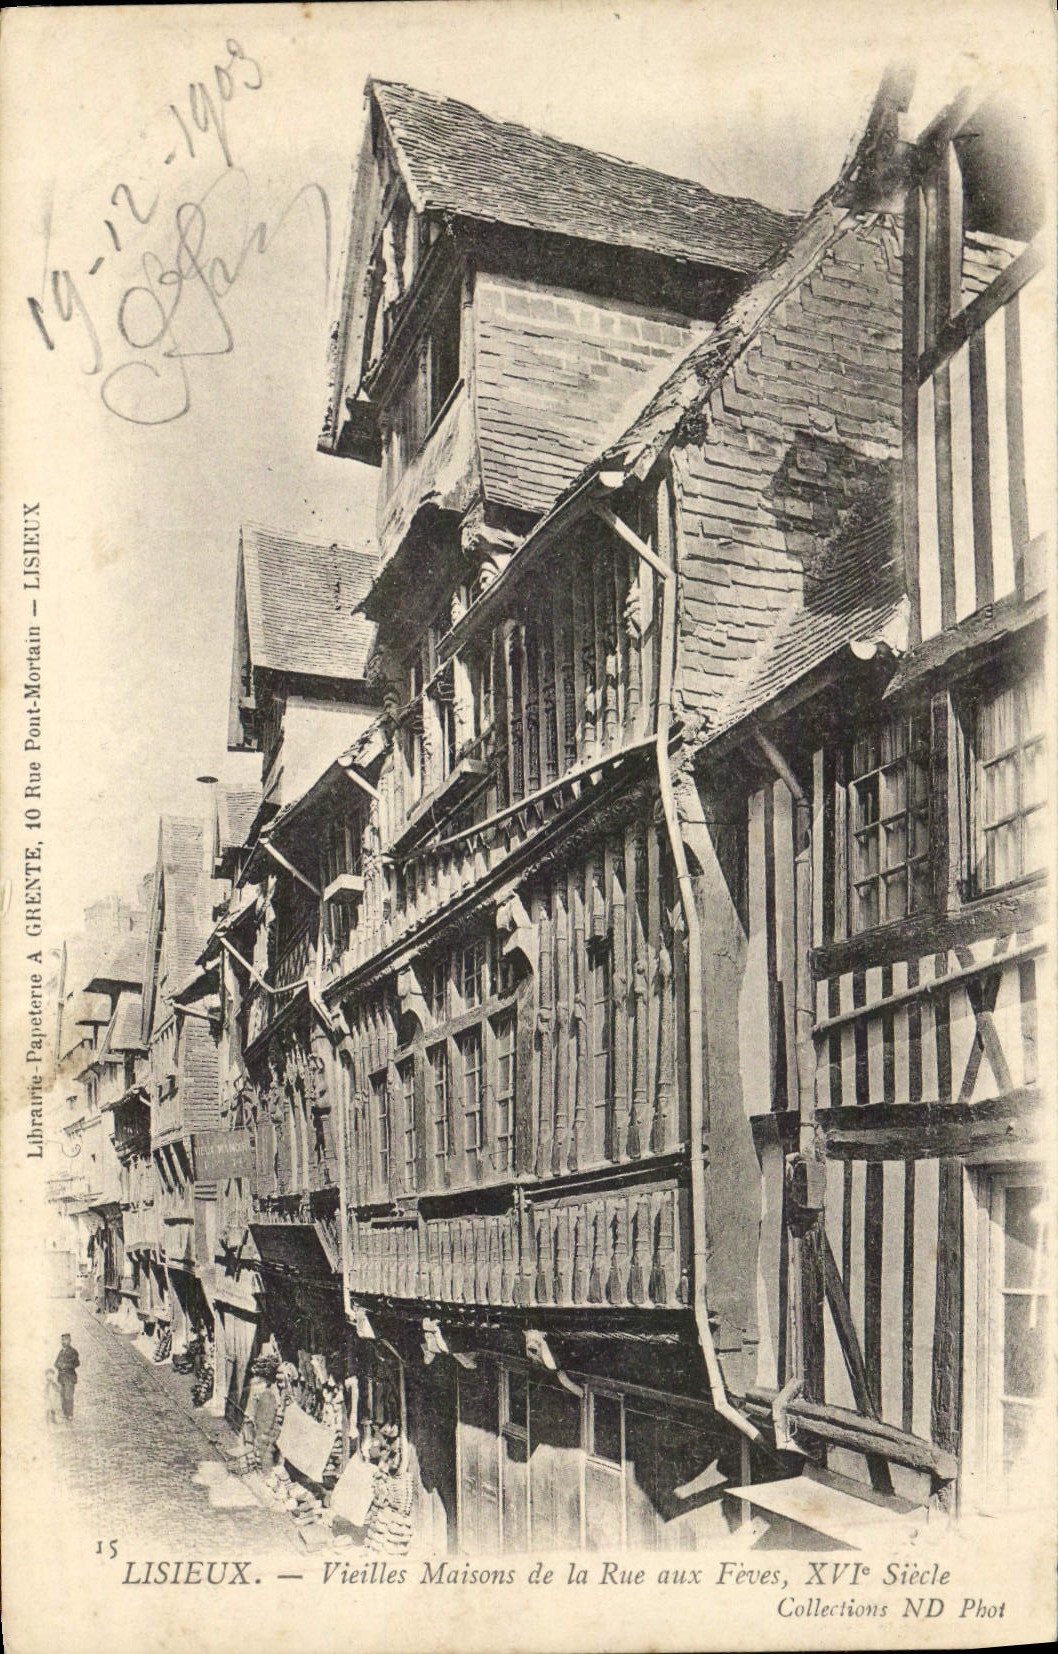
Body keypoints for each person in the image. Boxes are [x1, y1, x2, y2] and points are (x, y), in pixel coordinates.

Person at [54, 1332, 80, 1422]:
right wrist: (59, 1365)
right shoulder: (61, 1352)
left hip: (69, 1377)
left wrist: (66, 1365)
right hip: (62, 1377)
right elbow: (56, 1363)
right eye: (62, 1340)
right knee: (62, 1396)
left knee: (68, 1396)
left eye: (65, 1340)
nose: (63, 1342)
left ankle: (70, 1414)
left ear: (69, 1340)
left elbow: (76, 1363)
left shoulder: (73, 1352)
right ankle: (65, 1413)